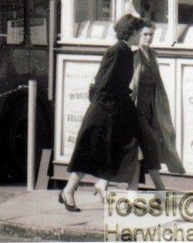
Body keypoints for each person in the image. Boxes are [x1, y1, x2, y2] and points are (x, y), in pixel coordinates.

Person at [59, 13, 144, 212]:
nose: (140, 36)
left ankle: (113, 190)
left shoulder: (126, 52)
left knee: (124, 149)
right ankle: (69, 190)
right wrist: (108, 109)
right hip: (105, 112)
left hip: (117, 110)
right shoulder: (116, 52)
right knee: (90, 152)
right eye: (139, 33)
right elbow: (101, 84)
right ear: (131, 33)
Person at [128, 18, 185, 191]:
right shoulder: (134, 56)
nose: (148, 38)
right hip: (136, 111)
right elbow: (131, 85)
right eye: (145, 34)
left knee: (143, 152)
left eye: (151, 35)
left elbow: (156, 85)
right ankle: (159, 191)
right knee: (143, 152)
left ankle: (111, 186)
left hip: (150, 112)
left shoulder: (152, 55)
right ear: (138, 35)